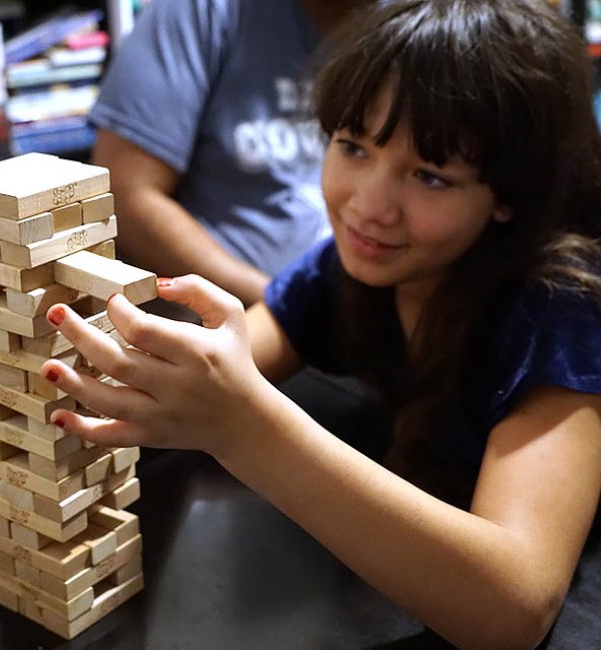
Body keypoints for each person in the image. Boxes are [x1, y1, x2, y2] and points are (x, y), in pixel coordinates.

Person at [39, 1, 601, 646]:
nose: (368, 207)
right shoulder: (350, 272)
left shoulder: (559, 313)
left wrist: (244, 426)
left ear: (509, 195)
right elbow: (239, 356)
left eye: (430, 176)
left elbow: (513, 608)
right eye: (353, 146)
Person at [89, 0, 372, 307]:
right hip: (238, 317)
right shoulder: (202, 11)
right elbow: (126, 194)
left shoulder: (411, 26)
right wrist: (288, 312)